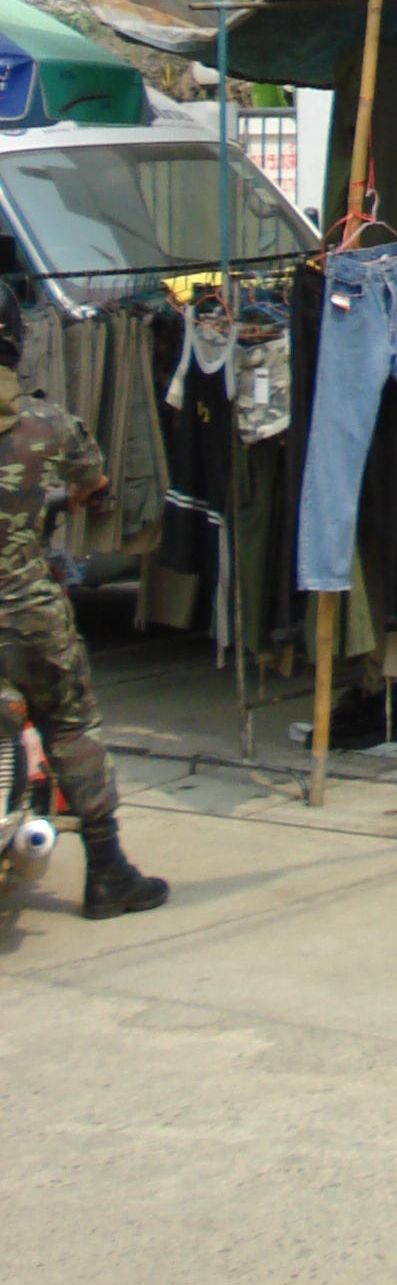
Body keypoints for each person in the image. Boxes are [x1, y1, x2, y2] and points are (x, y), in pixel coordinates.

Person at [0, 285, 169, 918]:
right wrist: (62, 501)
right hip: (29, 619)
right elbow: (94, 481)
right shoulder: (49, 424)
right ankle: (107, 872)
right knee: (70, 724)